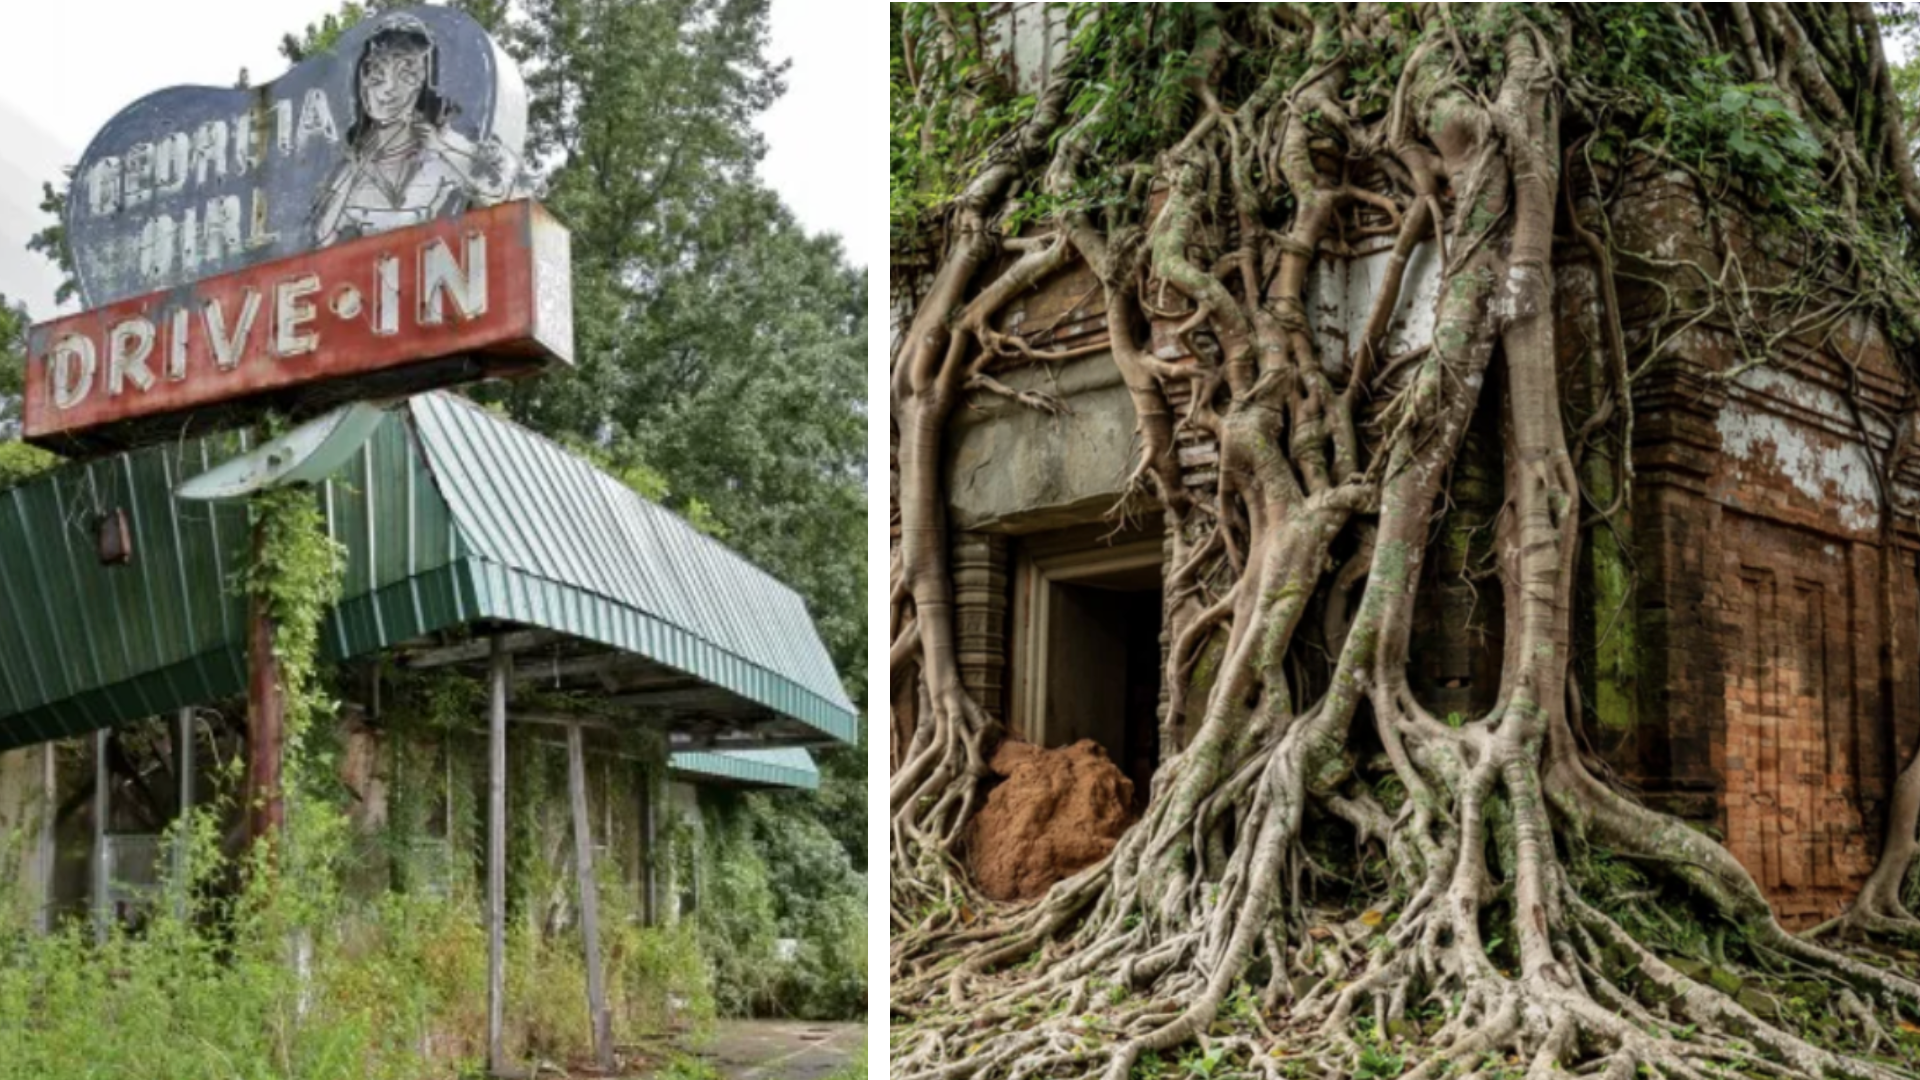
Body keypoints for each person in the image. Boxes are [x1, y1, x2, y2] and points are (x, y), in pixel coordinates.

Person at [312, 14, 522, 247]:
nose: (388, 90)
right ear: (362, 83)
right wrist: (355, 170)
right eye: (378, 75)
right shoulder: (353, 166)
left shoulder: (443, 144)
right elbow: (322, 235)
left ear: (423, 83)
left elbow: (499, 192)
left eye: (406, 75)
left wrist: (443, 150)